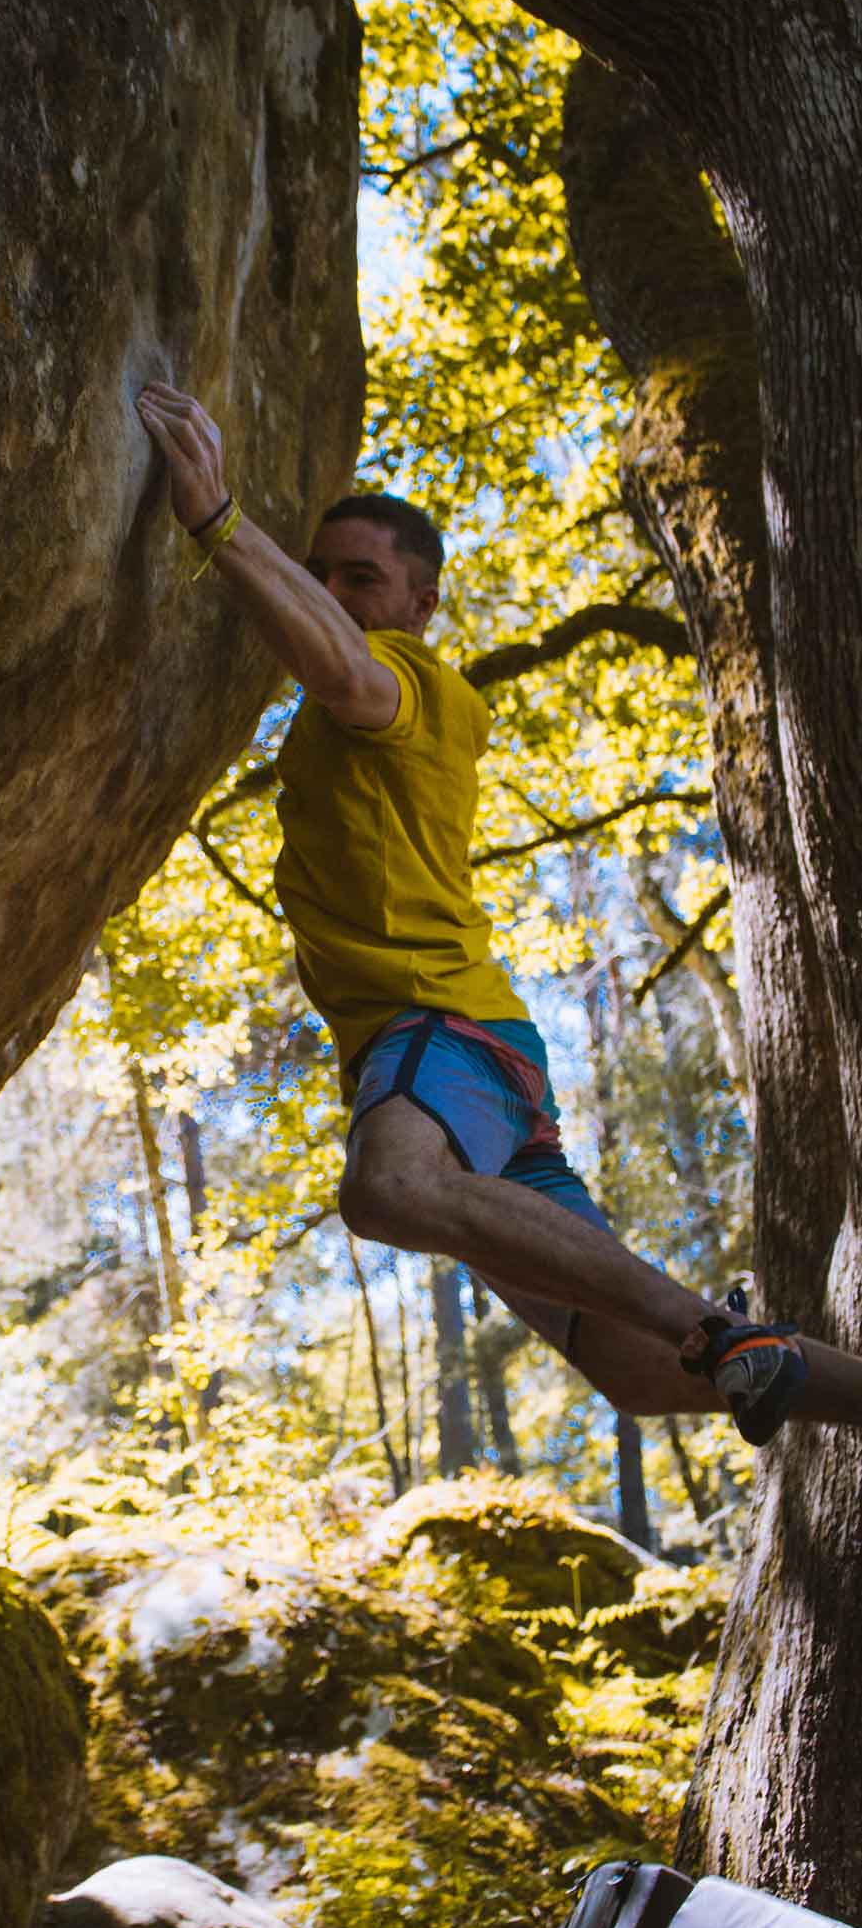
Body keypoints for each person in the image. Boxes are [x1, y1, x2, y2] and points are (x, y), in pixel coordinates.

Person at [135, 377, 862, 1445]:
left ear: (421, 606)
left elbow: (337, 663)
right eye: (319, 572)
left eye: (361, 577)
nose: (333, 594)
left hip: (438, 1029)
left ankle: (716, 1327)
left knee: (386, 1189)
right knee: (629, 1368)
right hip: (480, 1065)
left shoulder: (408, 684)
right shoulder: (363, 710)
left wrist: (211, 516)